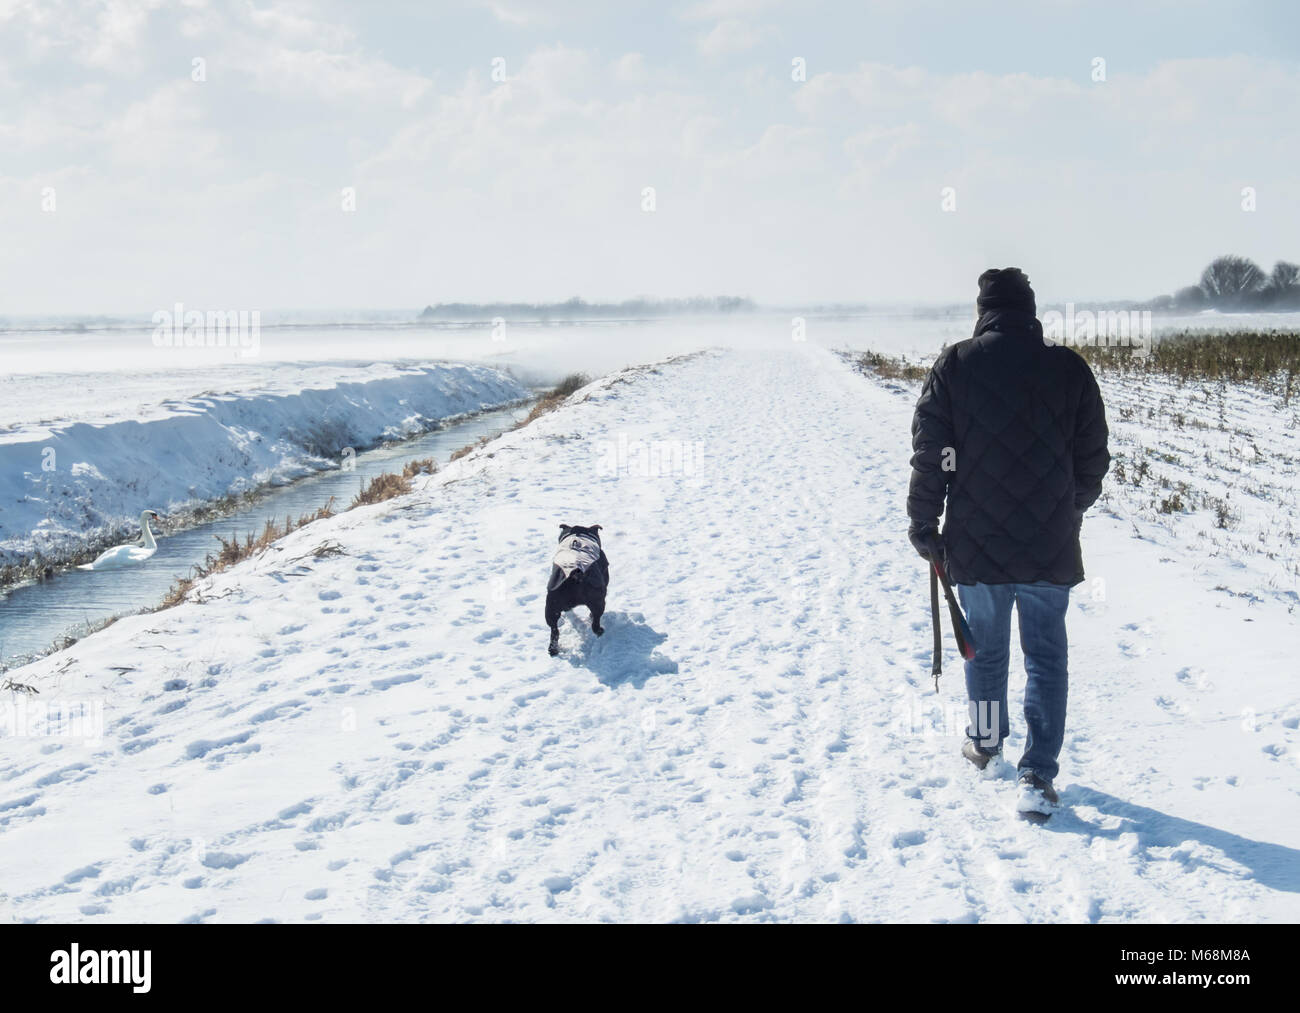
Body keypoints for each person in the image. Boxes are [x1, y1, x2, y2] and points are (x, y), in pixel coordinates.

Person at [907, 268, 1109, 815]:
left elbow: (934, 453)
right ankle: (1038, 777)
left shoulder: (956, 364)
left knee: (987, 653)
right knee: (1045, 658)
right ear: (1031, 310)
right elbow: (1093, 459)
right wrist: (1068, 508)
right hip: (1050, 545)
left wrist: (924, 521)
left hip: (976, 543)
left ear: (984, 310)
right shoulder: (1069, 369)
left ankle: (987, 743)